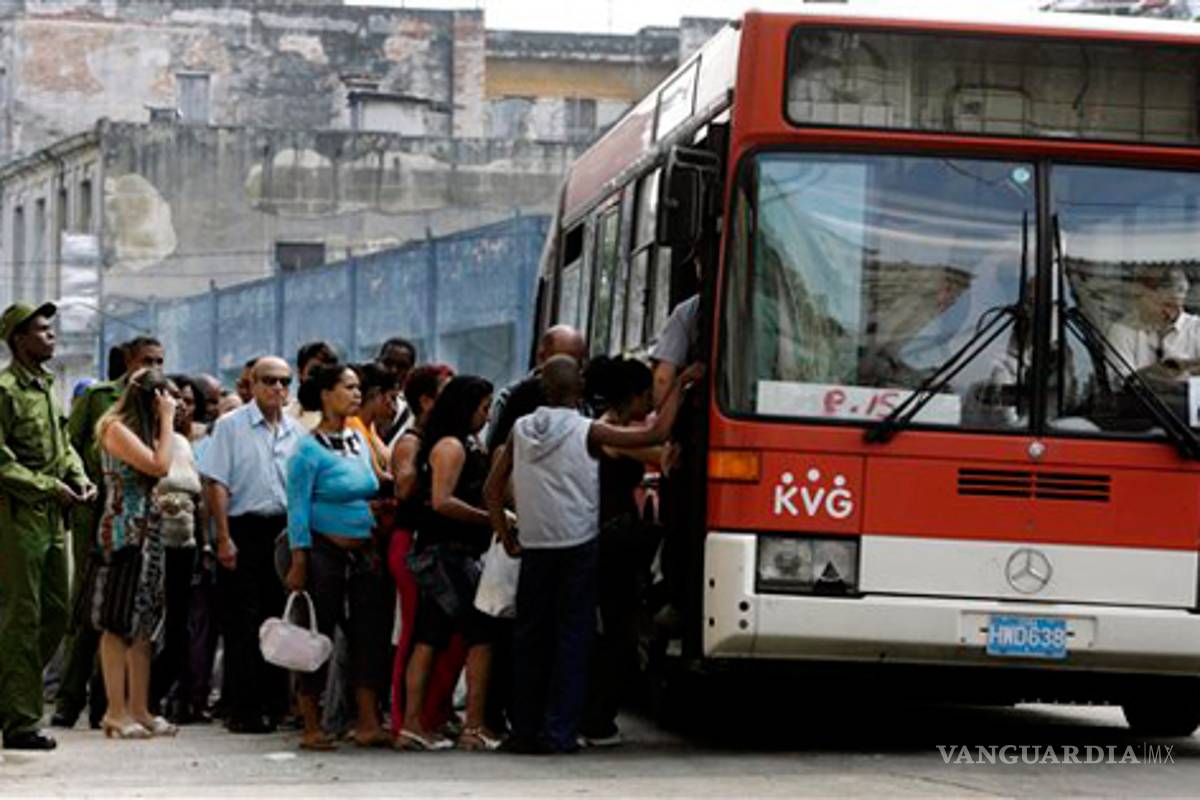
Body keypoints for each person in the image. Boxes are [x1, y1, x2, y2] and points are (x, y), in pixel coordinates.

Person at [485, 355, 700, 754]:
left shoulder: (520, 429)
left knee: (531, 639)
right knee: (573, 640)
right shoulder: (588, 431)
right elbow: (660, 431)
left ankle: (524, 730)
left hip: (534, 547)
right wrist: (682, 385)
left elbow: (492, 489)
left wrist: (506, 534)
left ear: (543, 389)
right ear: (579, 388)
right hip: (578, 545)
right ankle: (560, 731)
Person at [54, 336, 166, 730]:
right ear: (128, 361)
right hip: (103, 517)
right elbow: (70, 450)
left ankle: (123, 706)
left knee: (137, 619)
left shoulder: (153, 405)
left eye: (160, 360)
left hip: (145, 527)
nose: (154, 366)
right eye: (147, 360)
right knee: (95, 615)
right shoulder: (104, 400)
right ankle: (71, 701)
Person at [0, 302, 94, 751]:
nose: (51, 336)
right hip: (16, 518)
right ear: (18, 339)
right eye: (41, 330)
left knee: (57, 614)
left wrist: (78, 476)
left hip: (56, 518)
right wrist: (47, 485)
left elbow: (65, 446)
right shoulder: (4, 389)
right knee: (22, 617)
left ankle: (9, 695)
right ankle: (19, 721)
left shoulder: (47, 389)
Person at [284, 364, 389, 751]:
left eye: (359, 388)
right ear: (326, 394)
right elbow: (296, 508)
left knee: (368, 636)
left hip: (364, 553)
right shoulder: (306, 450)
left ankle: (367, 722)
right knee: (316, 636)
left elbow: (373, 481)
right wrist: (299, 560)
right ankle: (311, 725)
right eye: (348, 388)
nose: (357, 394)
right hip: (322, 552)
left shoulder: (358, 440)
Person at [198, 356, 304, 734]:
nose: (278, 388)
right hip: (243, 528)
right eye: (269, 381)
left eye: (284, 382)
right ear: (252, 384)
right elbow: (217, 485)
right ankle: (244, 707)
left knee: (278, 619)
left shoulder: (296, 432)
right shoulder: (231, 426)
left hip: (283, 530)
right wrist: (223, 537)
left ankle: (276, 703)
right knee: (242, 623)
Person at [399, 375, 498, 751]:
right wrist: (487, 518)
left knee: (431, 635)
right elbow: (441, 501)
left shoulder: (459, 443)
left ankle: (413, 724)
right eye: (484, 408)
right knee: (481, 635)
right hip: (446, 552)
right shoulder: (450, 447)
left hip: (445, 552)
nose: (487, 417)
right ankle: (474, 726)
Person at [90, 368, 178, 739]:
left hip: (150, 533)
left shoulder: (145, 432)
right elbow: (159, 465)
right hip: (123, 533)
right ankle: (115, 710)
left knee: (144, 625)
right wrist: (168, 420)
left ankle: (140, 707)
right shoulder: (115, 427)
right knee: (117, 621)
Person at [580, 357, 661, 746]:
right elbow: (662, 455)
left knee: (614, 629)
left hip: (611, 536)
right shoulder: (611, 432)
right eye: (648, 396)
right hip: (610, 539)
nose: (650, 404)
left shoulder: (610, 426)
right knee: (615, 631)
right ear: (634, 397)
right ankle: (596, 718)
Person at [386, 363, 463, 741]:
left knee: (441, 635)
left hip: (429, 545)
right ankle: (406, 719)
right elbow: (403, 487)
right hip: (411, 544)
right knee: (417, 633)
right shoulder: (413, 441)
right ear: (426, 400)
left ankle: (433, 712)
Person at [149, 378, 204, 722]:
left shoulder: (184, 443)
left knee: (179, 629)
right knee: (143, 627)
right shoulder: (136, 437)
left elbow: (197, 490)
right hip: (151, 545)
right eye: (170, 398)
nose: (178, 404)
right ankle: (123, 698)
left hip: (185, 544)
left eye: (182, 399)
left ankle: (157, 695)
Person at [485, 325, 586, 456]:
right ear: (542, 357)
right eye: (562, 361)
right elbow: (496, 449)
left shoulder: (583, 399)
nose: (569, 369)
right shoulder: (513, 396)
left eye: (578, 361)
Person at [1105, 266, 1200, 386]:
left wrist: (1186, 366)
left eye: (1179, 305)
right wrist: (1165, 371)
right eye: (1167, 305)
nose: (1172, 314)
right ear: (1142, 299)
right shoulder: (1122, 331)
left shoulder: (1196, 328)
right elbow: (1123, 387)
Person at [347, 362, 399, 481]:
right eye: (392, 398)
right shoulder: (352, 425)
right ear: (375, 394)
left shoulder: (370, 427)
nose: (395, 408)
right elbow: (378, 476)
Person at [287, 342, 338, 432]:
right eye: (314, 373)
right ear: (300, 374)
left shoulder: (343, 420)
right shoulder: (283, 417)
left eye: (325, 374)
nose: (319, 380)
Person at [375, 338, 417, 445]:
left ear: (411, 370)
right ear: (377, 362)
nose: (393, 370)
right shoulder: (358, 400)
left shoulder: (416, 408)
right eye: (388, 363)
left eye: (402, 366)